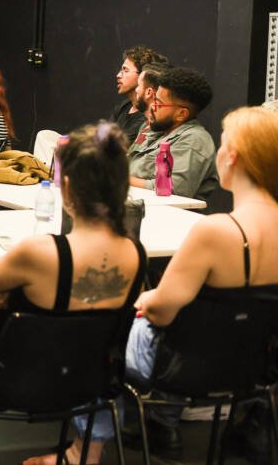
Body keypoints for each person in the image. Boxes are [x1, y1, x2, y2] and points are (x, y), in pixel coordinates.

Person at [0, 123, 146, 465]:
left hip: (14, 381)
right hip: (91, 381)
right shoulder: (137, 255)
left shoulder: (39, 253)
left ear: (68, 188)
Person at [86, 107, 278, 461]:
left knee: (95, 329)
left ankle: (82, 452)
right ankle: (161, 423)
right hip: (250, 367)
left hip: (182, 365)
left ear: (233, 156)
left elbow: (161, 311)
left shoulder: (215, 231)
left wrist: (145, 301)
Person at [128, 66, 218, 202]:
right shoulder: (157, 129)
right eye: (154, 99)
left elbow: (172, 190)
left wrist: (120, 179)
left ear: (181, 114)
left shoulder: (195, 140)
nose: (152, 106)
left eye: (158, 103)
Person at [111, 46, 167, 144]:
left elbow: (114, 147)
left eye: (125, 70)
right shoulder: (124, 106)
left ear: (143, 75)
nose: (118, 75)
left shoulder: (148, 115)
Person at [129, 61, 171, 147]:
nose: (136, 90)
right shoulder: (146, 125)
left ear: (149, 92)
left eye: (138, 85)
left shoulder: (163, 131)